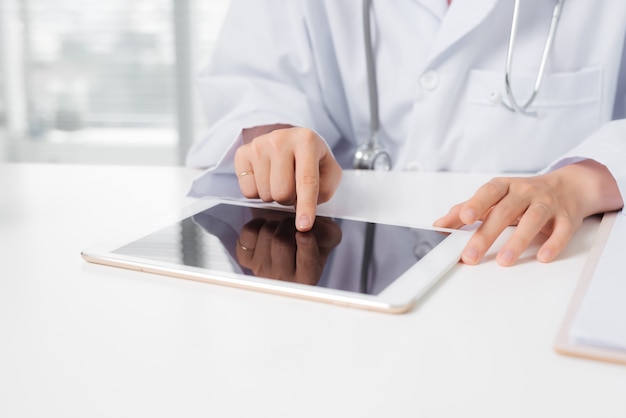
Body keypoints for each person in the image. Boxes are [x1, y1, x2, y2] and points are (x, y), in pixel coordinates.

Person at [186, 0, 626, 267]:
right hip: (342, 268)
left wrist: (583, 180)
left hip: (538, 264)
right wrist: (274, 135)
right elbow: (255, 76)